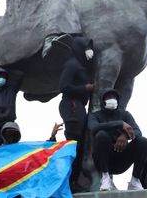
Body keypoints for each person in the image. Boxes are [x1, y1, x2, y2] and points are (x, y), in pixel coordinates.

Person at [88, 89, 147, 191]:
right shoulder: (95, 115)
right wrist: (120, 124)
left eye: (114, 97)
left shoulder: (125, 114)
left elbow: (138, 131)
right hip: (103, 160)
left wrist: (125, 135)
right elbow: (93, 128)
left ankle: (135, 181)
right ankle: (105, 177)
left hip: (122, 158)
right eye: (108, 97)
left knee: (143, 141)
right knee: (101, 134)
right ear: (103, 101)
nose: (112, 99)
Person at [58, 36, 94, 189]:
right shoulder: (71, 64)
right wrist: (84, 89)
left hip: (79, 105)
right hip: (71, 103)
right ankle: (69, 180)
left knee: (81, 142)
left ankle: (75, 179)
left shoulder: (80, 65)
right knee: (74, 143)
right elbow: (63, 86)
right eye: (86, 48)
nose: (89, 52)